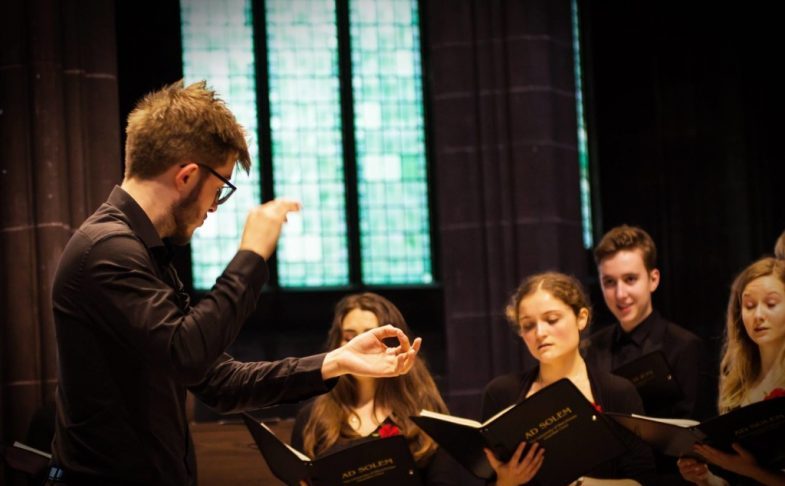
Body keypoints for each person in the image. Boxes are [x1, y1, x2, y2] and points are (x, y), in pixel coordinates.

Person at [49, 80, 421, 486]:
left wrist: (338, 360)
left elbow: (218, 381)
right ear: (188, 175)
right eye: (220, 187)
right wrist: (251, 257)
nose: (215, 205)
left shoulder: (139, 251)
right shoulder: (107, 250)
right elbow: (187, 353)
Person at [481, 272, 656, 486]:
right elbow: (488, 479)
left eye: (552, 320)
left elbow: (643, 480)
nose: (540, 332)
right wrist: (506, 482)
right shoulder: (501, 393)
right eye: (528, 325)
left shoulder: (617, 392)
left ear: (581, 318)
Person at [291, 292, 462, 485]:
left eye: (369, 336)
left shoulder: (427, 413)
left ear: (395, 343)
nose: (359, 347)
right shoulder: (312, 418)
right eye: (349, 338)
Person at [582, 225, 713, 420]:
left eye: (630, 279)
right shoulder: (590, 349)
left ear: (653, 280)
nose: (620, 294)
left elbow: (695, 428)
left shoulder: (684, 346)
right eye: (609, 282)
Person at [677, 257, 785, 486]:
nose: (758, 315)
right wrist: (705, 477)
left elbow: (747, 471)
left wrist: (750, 470)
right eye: (749, 306)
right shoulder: (737, 382)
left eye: (771, 303)